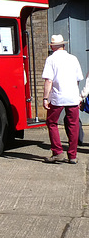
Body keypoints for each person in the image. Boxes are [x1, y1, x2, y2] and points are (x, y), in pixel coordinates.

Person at [42, 34, 84, 164]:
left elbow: (49, 80)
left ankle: (57, 152)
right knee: (73, 125)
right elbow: (78, 80)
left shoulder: (51, 59)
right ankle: (72, 155)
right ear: (64, 45)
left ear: (53, 47)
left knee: (52, 122)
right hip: (72, 97)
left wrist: (45, 98)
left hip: (57, 97)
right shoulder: (73, 59)